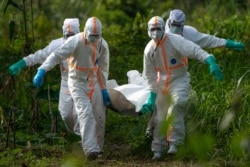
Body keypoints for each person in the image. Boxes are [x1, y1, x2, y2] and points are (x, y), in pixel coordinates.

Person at [145, 9, 245, 141]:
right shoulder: (163, 34)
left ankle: (175, 134)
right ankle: (150, 129)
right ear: (168, 23)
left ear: (183, 25)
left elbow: (208, 40)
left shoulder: (189, 33)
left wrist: (229, 44)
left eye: (179, 25)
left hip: (179, 72)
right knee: (157, 103)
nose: (175, 28)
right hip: (160, 73)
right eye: (173, 24)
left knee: (179, 102)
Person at [141, 16, 223, 160]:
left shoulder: (174, 40)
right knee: (160, 117)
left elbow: (194, 50)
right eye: (152, 29)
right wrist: (151, 96)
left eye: (158, 28)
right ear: (148, 30)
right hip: (161, 83)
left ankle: (175, 143)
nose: (155, 32)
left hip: (179, 79)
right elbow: (149, 75)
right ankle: (158, 150)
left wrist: (210, 61)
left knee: (177, 105)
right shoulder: (149, 50)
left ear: (163, 28)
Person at [32, 16, 111, 160]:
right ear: (85, 32)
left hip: (93, 81)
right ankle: (90, 150)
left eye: (96, 36)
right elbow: (56, 55)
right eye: (91, 36)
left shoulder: (102, 45)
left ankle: (98, 148)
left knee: (99, 115)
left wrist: (104, 89)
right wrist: (42, 69)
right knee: (84, 113)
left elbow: (103, 68)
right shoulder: (75, 41)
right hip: (76, 81)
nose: (93, 39)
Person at [8, 18, 81, 136]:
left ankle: (86, 140)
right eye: (67, 36)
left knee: (81, 112)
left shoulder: (86, 44)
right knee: (66, 114)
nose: (70, 39)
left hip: (85, 81)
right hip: (66, 81)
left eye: (73, 35)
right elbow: (41, 55)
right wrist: (22, 63)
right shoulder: (58, 45)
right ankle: (78, 135)